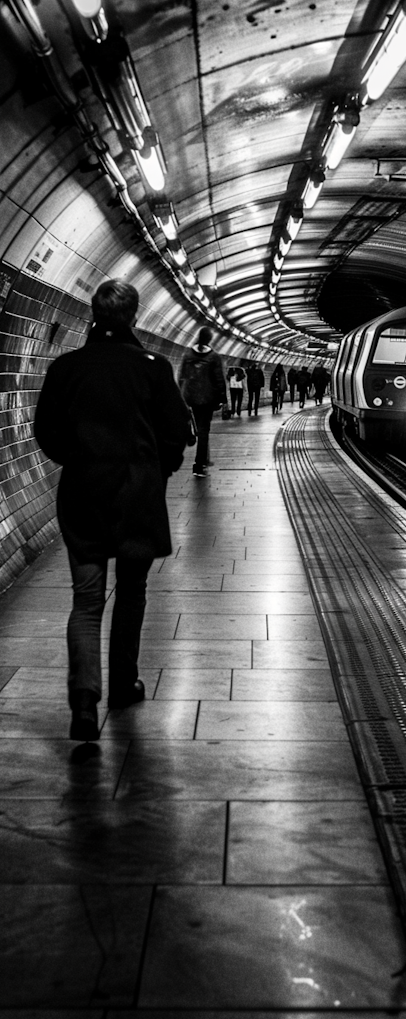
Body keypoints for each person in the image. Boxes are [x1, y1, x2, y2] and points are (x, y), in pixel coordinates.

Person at [34, 279, 191, 742]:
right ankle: (124, 683)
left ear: (92, 314)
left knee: (86, 600)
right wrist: (156, 468)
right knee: (132, 590)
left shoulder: (67, 367)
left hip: (83, 495)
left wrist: (80, 461)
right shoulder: (153, 367)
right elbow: (175, 431)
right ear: (136, 317)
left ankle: (83, 701)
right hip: (138, 497)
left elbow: (46, 430)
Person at [179, 326, 227, 476]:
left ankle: (201, 453)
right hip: (206, 399)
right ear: (209, 339)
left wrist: (181, 394)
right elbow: (219, 379)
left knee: (196, 427)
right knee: (204, 431)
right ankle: (199, 465)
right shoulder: (213, 357)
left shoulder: (187, 354)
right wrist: (222, 399)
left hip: (189, 396)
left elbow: (182, 375)